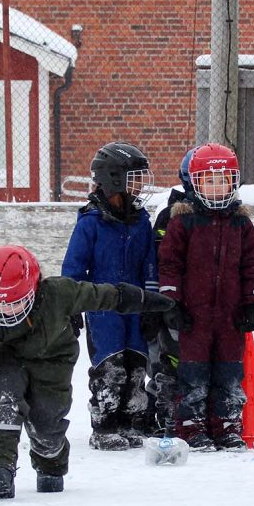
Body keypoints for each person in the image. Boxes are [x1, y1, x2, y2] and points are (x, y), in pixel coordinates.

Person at [0, 245, 174, 499]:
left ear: (32, 290)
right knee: (3, 400)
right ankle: (0, 466)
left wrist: (143, 300)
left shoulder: (59, 293)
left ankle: (50, 465)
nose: (6, 312)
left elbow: (103, 295)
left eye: (15, 304)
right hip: (12, 361)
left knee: (47, 423)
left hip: (55, 362)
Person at [158, 143, 254, 451]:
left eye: (224, 180)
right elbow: (169, 265)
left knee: (229, 372)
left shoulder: (241, 223)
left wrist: (253, 302)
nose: (217, 187)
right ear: (195, 183)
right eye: (210, 180)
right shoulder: (183, 222)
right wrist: (172, 303)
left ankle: (228, 425)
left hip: (230, 317)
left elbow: (253, 266)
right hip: (195, 315)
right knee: (194, 372)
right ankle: (192, 428)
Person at [62, 142, 159, 451]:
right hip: (102, 308)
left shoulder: (141, 221)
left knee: (136, 365)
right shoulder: (91, 222)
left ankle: (131, 422)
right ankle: (104, 426)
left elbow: (150, 264)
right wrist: (72, 305)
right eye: (135, 178)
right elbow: (74, 267)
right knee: (110, 366)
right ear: (114, 178)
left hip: (136, 305)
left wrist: (152, 305)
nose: (141, 185)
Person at [143, 148, 196, 437]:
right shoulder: (169, 217)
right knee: (166, 359)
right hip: (170, 303)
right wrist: (156, 305)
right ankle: (160, 412)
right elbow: (157, 263)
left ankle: (195, 414)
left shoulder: (221, 216)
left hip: (204, 304)